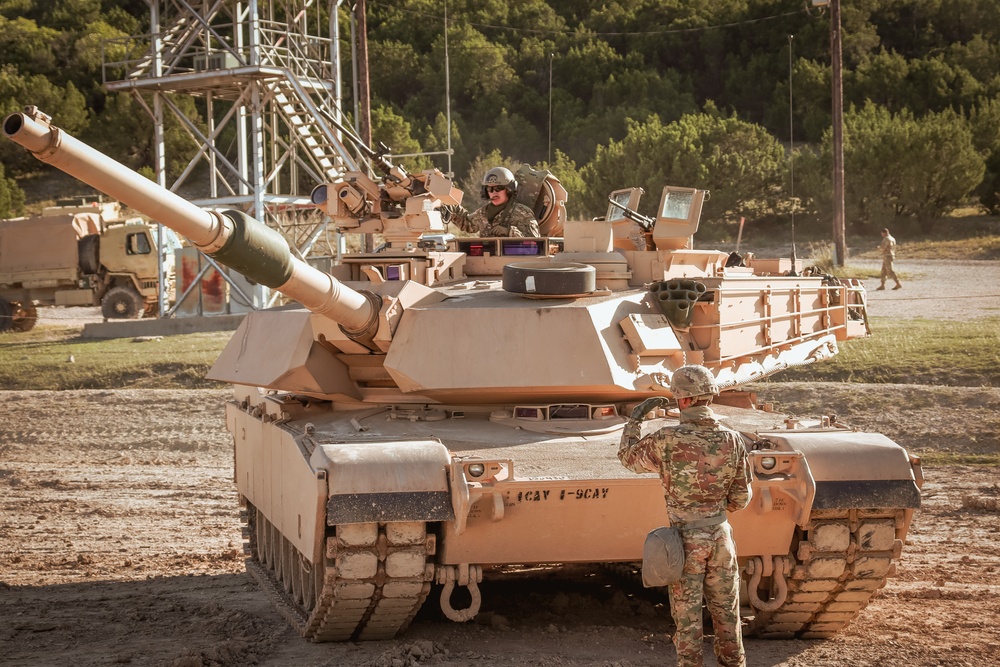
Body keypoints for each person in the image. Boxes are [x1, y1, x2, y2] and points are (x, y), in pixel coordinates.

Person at [617, 365, 752, 667]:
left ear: (684, 400)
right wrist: (712, 511)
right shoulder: (732, 439)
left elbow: (627, 458)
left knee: (688, 618)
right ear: (709, 397)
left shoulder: (666, 439)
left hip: (684, 541)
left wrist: (636, 419)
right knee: (728, 614)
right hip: (721, 537)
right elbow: (742, 498)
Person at [442, 167, 540, 237]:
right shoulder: (483, 212)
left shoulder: (522, 212)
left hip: (513, 262)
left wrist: (509, 232)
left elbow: (536, 242)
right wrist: (452, 206)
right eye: (490, 189)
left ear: (509, 189)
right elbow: (467, 223)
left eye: (499, 188)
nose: (494, 193)